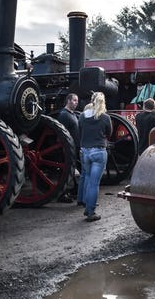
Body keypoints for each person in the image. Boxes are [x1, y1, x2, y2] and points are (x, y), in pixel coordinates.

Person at [77, 92, 112, 222]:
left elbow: (79, 132)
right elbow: (109, 133)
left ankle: (86, 204)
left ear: (91, 101)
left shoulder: (82, 116)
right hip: (98, 151)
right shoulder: (105, 117)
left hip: (85, 151)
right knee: (94, 183)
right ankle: (90, 212)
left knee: (86, 177)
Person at [56, 93, 79, 203]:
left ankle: (73, 190)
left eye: (77, 100)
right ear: (68, 100)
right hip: (66, 148)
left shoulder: (72, 114)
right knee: (64, 171)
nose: (76, 102)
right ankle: (62, 194)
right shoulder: (64, 115)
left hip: (73, 147)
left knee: (71, 170)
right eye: (74, 100)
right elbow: (61, 133)